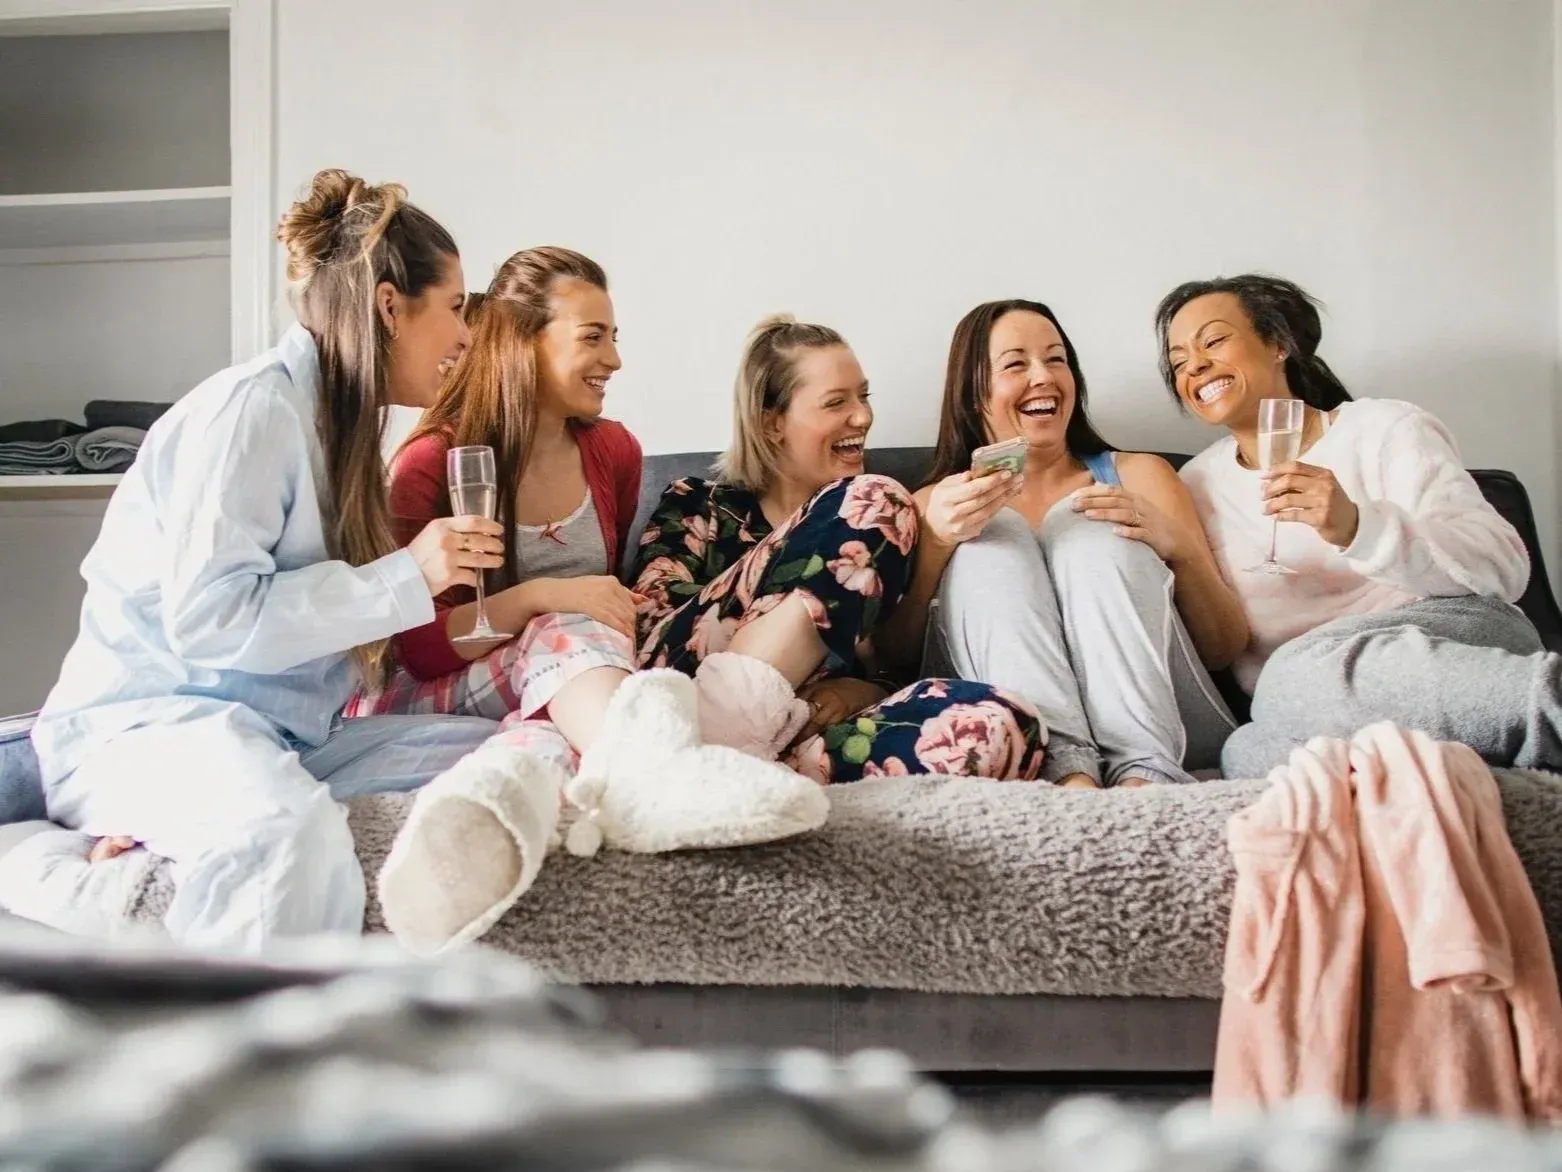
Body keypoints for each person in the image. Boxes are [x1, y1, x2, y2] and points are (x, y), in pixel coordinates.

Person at [27, 169, 508, 952]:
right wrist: (408, 577)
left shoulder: (341, 431)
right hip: (145, 727)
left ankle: (176, 827)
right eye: (454, 308)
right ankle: (245, 1057)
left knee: (501, 755)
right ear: (391, 306)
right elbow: (209, 622)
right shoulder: (251, 411)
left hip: (278, 734)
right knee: (285, 839)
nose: (464, 336)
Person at [1158, 273, 1557, 777]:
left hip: (1451, 637)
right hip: (1316, 701)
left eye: (1213, 340)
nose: (1195, 365)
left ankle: (1548, 705)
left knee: (1288, 677)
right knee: (1248, 752)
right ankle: (1474, 768)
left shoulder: (1385, 428)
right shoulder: (1193, 485)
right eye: (1177, 362)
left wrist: (1359, 526)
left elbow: (1502, 567)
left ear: (1278, 343)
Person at [633, 315, 1046, 784]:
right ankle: (711, 742)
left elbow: (897, 660)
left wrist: (864, 689)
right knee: (874, 498)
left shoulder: (888, 531)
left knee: (1004, 724)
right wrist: (797, 664)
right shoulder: (700, 503)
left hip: (798, 738)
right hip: (682, 702)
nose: (863, 416)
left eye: (864, 396)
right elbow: (651, 624)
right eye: (837, 403)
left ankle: (738, 772)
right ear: (772, 424)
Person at [873, 300, 1242, 789]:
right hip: (1010, 744)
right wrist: (940, 541)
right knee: (995, 536)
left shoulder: (1141, 476)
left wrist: (1180, 549)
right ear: (972, 393)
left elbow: (1222, 650)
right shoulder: (929, 504)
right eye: (1015, 364)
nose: (1044, 376)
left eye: (1056, 359)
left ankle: (1144, 779)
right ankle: (1066, 777)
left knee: (1086, 524)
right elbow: (891, 660)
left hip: (1168, 730)